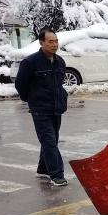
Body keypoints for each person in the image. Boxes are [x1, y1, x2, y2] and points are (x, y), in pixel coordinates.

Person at [14, 28, 69, 187]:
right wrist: (32, 99)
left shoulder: (60, 61)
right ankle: (57, 175)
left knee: (52, 140)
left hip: (56, 108)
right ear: (41, 42)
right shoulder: (30, 62)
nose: (54, 44)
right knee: (49, 141)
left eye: (56, 41)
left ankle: (43, 168)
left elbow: (59, 84)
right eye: (50, 41)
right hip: (40, 109)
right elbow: (20, 85)